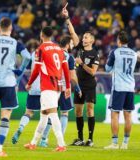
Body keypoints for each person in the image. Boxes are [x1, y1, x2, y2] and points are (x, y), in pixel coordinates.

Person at [0, 17, 31, 157]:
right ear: (11, 29)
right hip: (8, 82)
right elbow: (27, 57)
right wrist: (20, 70)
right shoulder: (15, 43)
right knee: (5, 116)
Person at [25, 26, 70, 152]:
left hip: (48, 86)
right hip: (58, 87)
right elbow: (65, 69)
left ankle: (61, 144)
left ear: (42, 35)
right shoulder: (59, 49)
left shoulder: (41, 49)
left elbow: (37, 69)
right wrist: (68, 87)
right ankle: (33, 143)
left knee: (53, 114)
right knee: (44, 115)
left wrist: (29, 83)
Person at [62, 4, 99, 146]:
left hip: (89, 86)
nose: (84, 38)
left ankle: (90, 139)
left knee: (89, 110)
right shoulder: (79, 48)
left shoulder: (95, 54)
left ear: (92, 41)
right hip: (78, 85)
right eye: (83, 37)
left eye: (87, 37)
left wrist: (82, 63)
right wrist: (67, 18)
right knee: (78, 112)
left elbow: (93, 72)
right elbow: (72, 32)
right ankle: (80, 138)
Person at [39, 35, 82, 147]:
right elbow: (72, 76)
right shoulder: (70, 57)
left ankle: (43, 140)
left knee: (50, 113)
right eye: (72, 43)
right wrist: (77, 88)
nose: (72, 45)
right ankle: (60, 140)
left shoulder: (53, 53)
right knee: (64, 113)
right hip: (63, 88)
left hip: (52, 87)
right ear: (67, 44)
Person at [104, 31, 137, 150]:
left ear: (119, 40)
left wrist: (113, 65)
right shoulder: (134, 53)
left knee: (114, 114)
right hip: (130, 87)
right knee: (128, 115)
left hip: (118, 87)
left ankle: (114, 143)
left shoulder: (115, 52)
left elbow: (107, 69)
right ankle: (125, 144)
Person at [12, 51, 41, 144]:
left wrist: (17, 82)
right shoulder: (53, 51)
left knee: (28, 112)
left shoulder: (34, 53)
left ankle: (21, 127)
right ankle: (43, 140)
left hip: (33, 87)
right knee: (48, 115)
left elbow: (24, 68)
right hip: (46, 88)